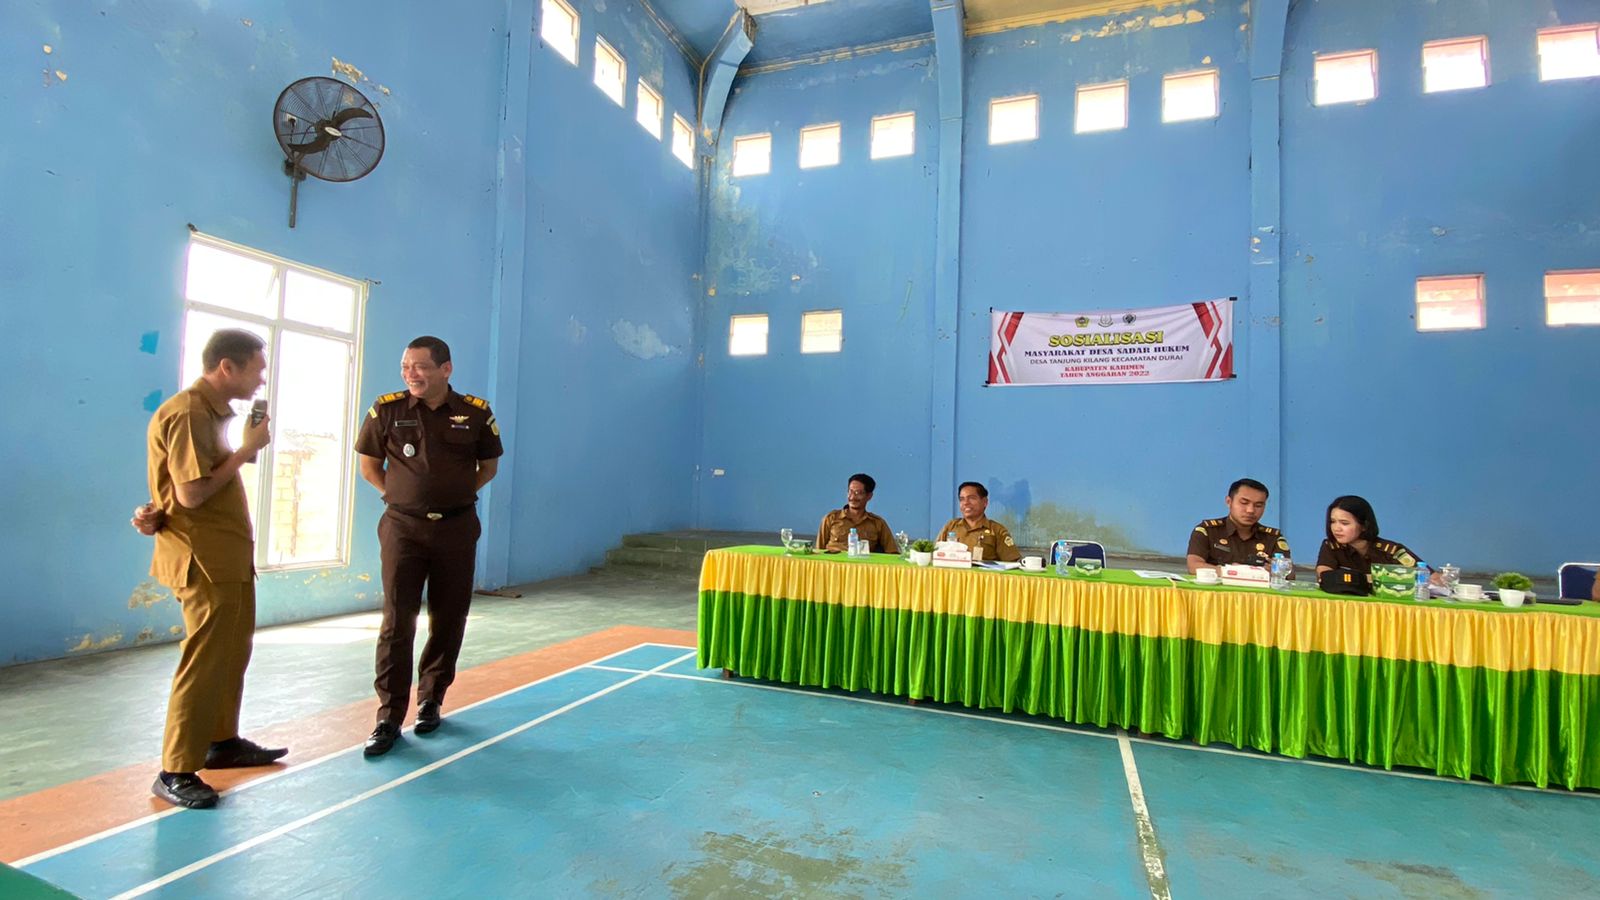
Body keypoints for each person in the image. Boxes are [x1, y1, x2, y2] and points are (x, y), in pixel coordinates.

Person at [139, 328, 288, 810]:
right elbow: (191, 494)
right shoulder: (188, 413)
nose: (261, 379)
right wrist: (246, 450)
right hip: (202, 559)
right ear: (227, 367)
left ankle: (221, 742)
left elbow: (176, 489)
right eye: (256, 369)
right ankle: (175, 769)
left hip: (226, 556)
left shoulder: (210, 414)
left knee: (231, 651)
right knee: (203, 661)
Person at [356, 336, 503, 757]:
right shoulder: (387, 410)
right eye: (406, 366)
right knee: (397, 620)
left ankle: (431, 700)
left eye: (420, 366)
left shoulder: (475, 413)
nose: (411, 374)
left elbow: (488, 467)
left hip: (456, 529)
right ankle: (388, 716)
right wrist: (400, 498)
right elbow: (369, 466)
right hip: (402, 529)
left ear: (445, 369)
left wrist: (452, 497)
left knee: (449, 617)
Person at [1186, 478, 1291, 574]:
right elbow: (1194, 566)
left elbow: (1289, 573)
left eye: (1258, 505)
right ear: (1229, 502)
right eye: (1244, 503)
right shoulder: (1208, 531)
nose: (1250, 510)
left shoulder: (1273, 538)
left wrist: (1275, 571)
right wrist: (1236, 572)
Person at [1313, 495, 1423, 576]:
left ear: (1364, 526)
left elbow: (1426, 576)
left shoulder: (1391, 551)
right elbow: (1324, 574)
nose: (1336, 528)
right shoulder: (1331, 546)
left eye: (1344, 523)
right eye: (1332, 522)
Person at [935, 481, 1021, 562]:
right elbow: (934, 555)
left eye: (971, 498)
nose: (966, 503)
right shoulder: (951, 526)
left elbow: (1013, 563)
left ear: (985, 502)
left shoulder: (997, 530)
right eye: (962, 499)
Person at [815, 473, 898, 554]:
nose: (852, 497)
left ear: (869, 496)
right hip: (833, 563)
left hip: (863, 563)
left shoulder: (878, 523)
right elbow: (817, 552)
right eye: (850, 492)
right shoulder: (830, 519)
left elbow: (892, 553)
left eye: (858, 493)